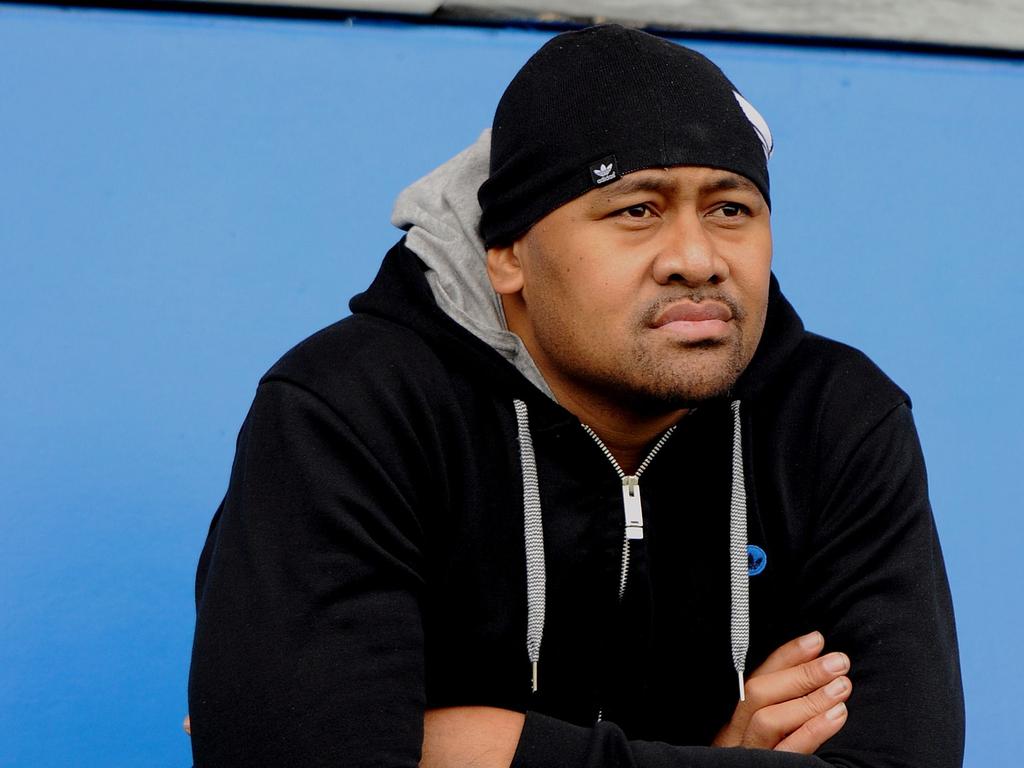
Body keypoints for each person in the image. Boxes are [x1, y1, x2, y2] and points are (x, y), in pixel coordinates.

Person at [188, 24, 964, 768]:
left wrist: (482, 750)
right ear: (507, 254)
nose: (696, 259)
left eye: (731, 209)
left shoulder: (835, 419)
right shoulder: (354, 410)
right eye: (637, 210)